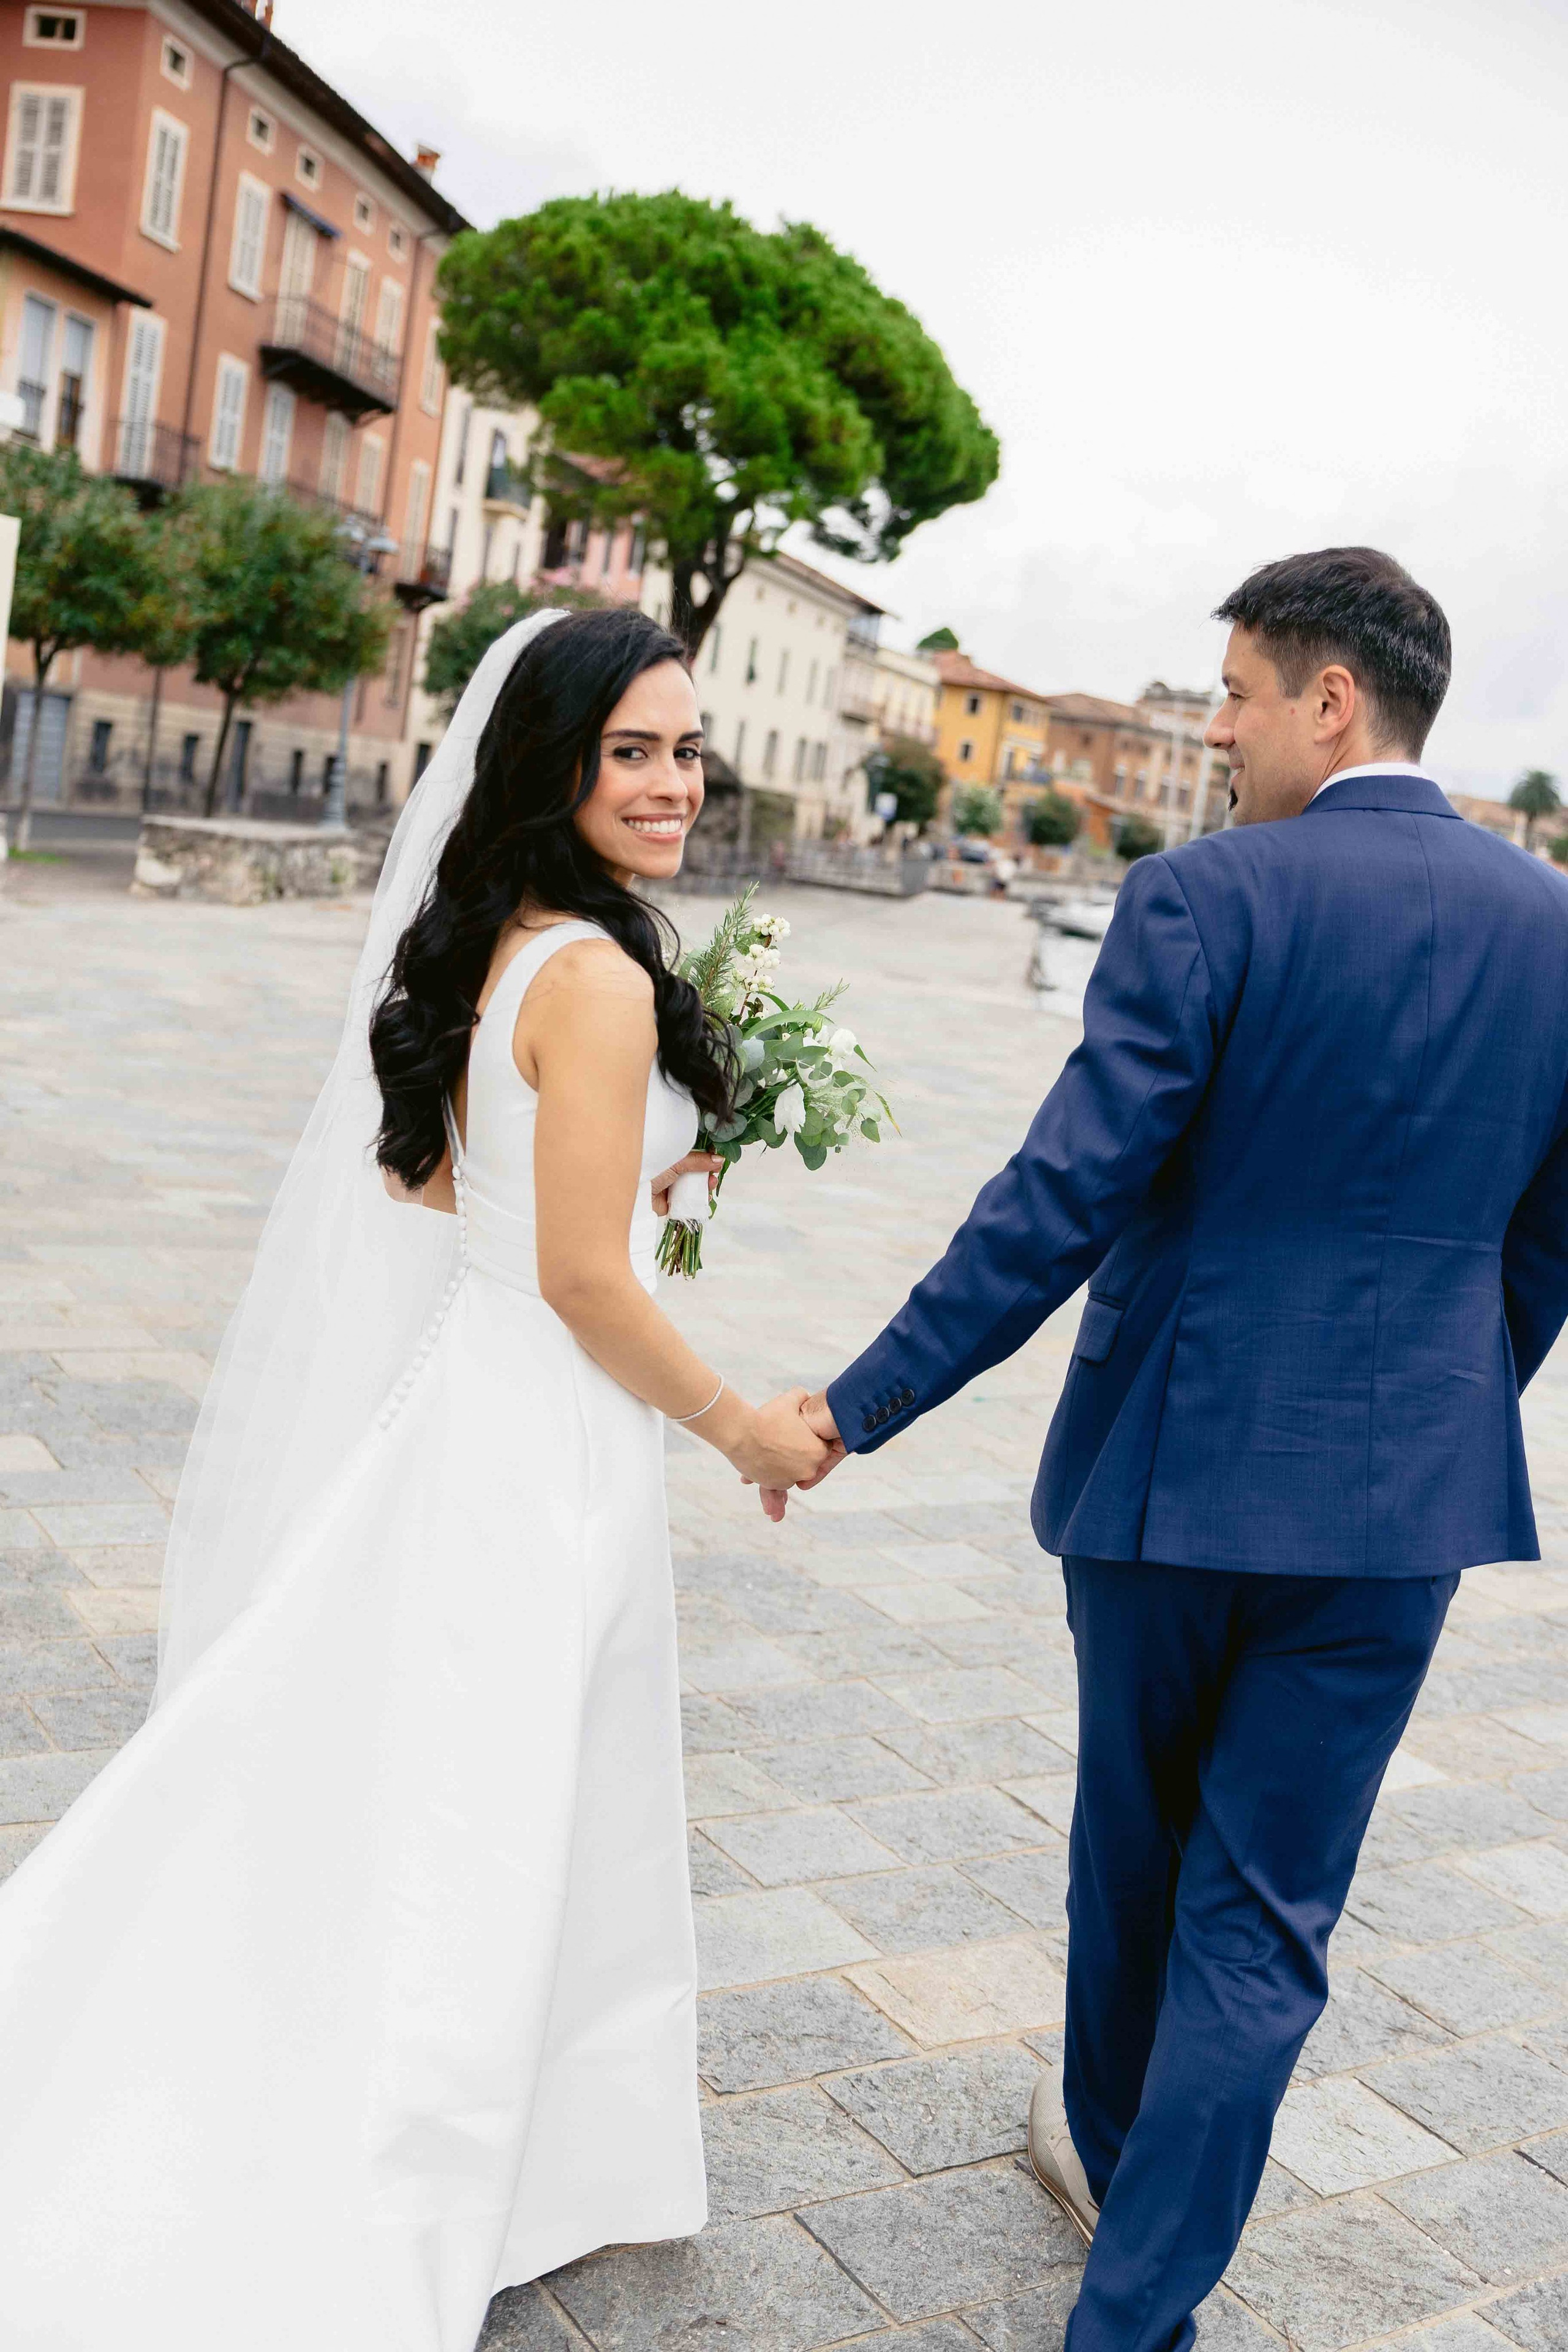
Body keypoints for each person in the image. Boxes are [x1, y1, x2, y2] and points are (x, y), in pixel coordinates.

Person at [0, 606, 827, 2348]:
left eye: (687, 749)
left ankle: (482, 2122)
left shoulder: (507, 941)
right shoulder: (596, 979)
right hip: (543, 1436)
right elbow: (581, 1282)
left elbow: (439, 1189)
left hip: (469, 1403)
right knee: (490, 1793)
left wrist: (640, 1173)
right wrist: (742, 1425)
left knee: (421, 1758)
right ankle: (430, 2158)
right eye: (631, 751)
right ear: (554, 762)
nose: (674, 782)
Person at [777, 548, 1568, 2351]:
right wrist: (1440, 1399)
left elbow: (1063, 1195)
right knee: (1266, 1924)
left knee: (1134, 1866)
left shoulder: (1204, 897)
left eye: (1232, 692)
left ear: (1329, 702)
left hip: (1170, 1479)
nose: (1213, 729)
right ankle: (1133, 2310)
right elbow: (1547, 1239)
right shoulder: (1555, 931)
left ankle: (1125, 2211)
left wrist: (858, 1402)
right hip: (1400, 1511)